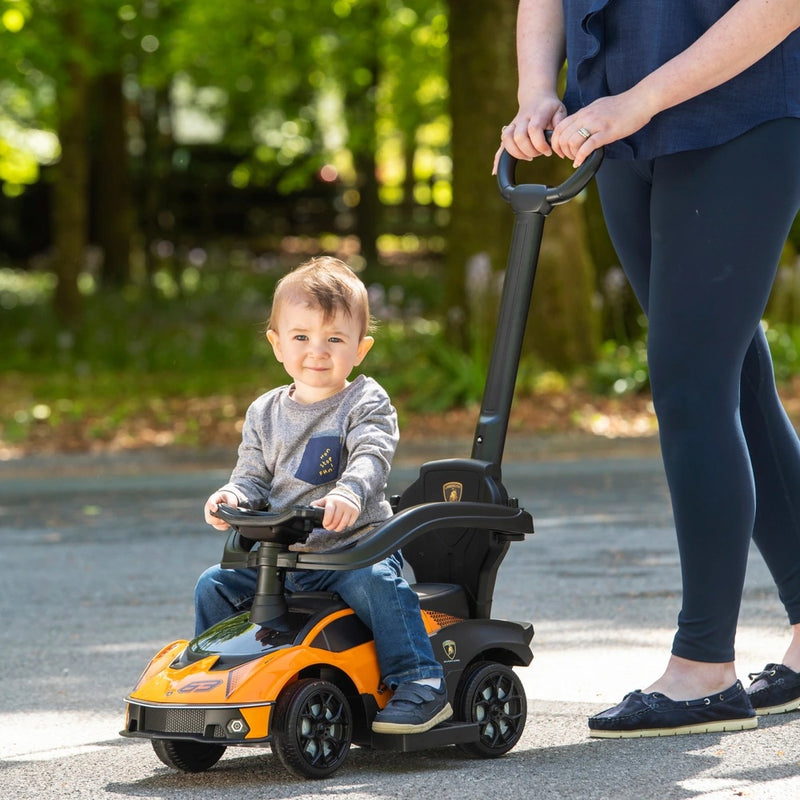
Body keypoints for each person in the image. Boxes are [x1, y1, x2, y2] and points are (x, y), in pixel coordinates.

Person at [497, 0, 800, 737]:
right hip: (617, 120)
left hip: (742, 107)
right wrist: (539, 88)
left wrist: (638, 102)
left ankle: (704, 671)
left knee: (691, 382)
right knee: (731, 378)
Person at [194, 256, 452, 735]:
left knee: (378, 582)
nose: (317, 351)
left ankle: (420, 680)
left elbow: (371, 457)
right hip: (286, 561)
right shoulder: (264, 412)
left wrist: (350, 493)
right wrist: (230, 495)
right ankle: (221, 680)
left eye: (335, 339)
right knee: (214, 583)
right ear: (276, 344)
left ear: (360, 348)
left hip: (354, 550)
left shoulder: (366, 400)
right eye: (301, 337)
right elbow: (252, 477)